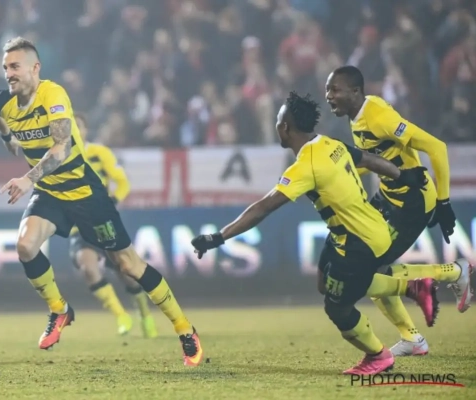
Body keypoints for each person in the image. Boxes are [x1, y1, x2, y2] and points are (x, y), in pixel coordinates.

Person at [191, 91, 438, 375]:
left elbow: (263, 208)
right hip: (365, 228)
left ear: (285, 127)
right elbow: (368, 159)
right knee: (324, 281)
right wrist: (403, 175)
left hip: (358, 241)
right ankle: (412, 288)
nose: (276, 125)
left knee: (337, 308)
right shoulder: (329, 143)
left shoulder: (304, 166)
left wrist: (219, 237)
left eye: (277, 120)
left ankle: (378, 356)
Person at [0, 37, 202, 366]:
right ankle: (60, 310)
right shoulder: (1, 102)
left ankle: (185, 328)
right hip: (50, 193)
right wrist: (8, 139)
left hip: (84, 192)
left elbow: (62, 148)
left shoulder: (53, 94)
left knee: (128, 265)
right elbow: (1, 120)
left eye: (15, 66)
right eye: (5, 67)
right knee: (25, 246)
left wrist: (27, 178)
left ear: (35, 68)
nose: (9, 73)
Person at [325, 65, 473, 357]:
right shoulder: (357, 115)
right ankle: (412, 337)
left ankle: (453, 273)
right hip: (388, 198)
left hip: (411, 202)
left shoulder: (379, 117)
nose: (328, 96)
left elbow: (437, 147)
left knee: (366, 272)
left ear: (355, 91)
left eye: (335, 89)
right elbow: (375, 159)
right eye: (327, 89)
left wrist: (444, 202)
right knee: (366, 270)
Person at [68, 113, 157, 338]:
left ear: (86, 130)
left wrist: (113, 201)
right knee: (88, 267)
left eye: (78, 126)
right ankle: (121, 316)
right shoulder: (59, 158)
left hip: (104, 222)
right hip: (79, 226)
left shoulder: (99, 153)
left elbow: (122, 182)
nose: (75, 130)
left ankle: (144, 313)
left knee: (125, 270)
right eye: (70, 126)